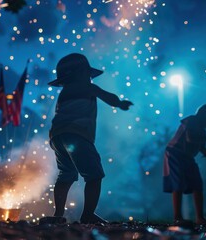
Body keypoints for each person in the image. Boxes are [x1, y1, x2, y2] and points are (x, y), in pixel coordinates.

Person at [42, 53, 133, 224]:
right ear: (82, 74)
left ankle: (58, 214)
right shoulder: (87, 87)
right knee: (94, 175)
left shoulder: (65, 92)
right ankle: (88, 214)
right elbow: (109, 98)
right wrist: (120, 103)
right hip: (77, 134)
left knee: (65, 174)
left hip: (57, 136)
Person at [163, 103, 206, 226]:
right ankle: (177, 217)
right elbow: (191, 138)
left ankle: (200, 217)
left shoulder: (203, 131)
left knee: (197, 183)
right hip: (175, 153)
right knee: (178, 182)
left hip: (188, 157)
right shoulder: (192, 120)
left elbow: (200, 146)